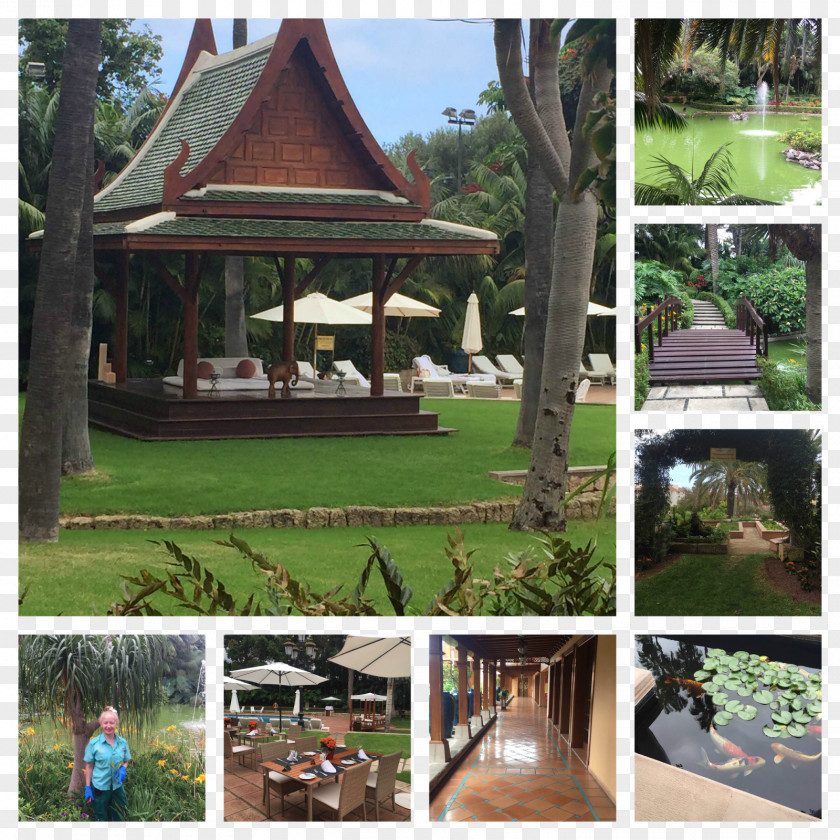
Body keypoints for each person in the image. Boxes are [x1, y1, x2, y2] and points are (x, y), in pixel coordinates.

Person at [84, 707, 131, 821]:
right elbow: (89, 766)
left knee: (119, 813)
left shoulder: (122, 743)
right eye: (105, 723)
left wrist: (123, 768)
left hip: (117, 786)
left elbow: (126, 760)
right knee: (101, 817)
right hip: (100, 787)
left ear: (116, 724)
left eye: (111, 723)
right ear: (101, 723)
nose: (108, 726)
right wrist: (88, 787)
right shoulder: (94, 744)